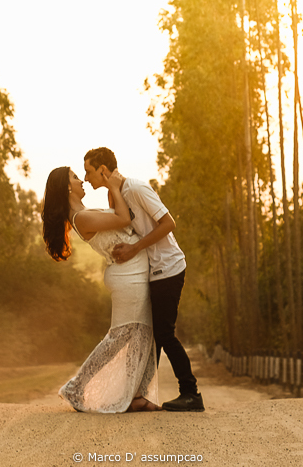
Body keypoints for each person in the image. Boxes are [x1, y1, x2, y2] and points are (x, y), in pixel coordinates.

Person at [83, 147, 204, 412]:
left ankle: (191, 393)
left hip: (169, 267)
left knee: (164, 333)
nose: (85, 177)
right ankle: (138, 395)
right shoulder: (116, 196)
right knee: (153, 337)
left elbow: (169, 223)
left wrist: (134, 250)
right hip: (153, 271)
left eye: (89, 171)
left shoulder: (136, 188)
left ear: (103, 170)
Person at [41, 165, 160, 413]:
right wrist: (115, 187)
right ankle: (76, 386)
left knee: (138, 334)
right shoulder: (81, 217)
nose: (82, 181)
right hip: (127, 278)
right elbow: (124, 218)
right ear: (66, 187)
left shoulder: (83, 212)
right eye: (76, 177)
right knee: (120, 335)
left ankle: (136, 393)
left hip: (131, 274)